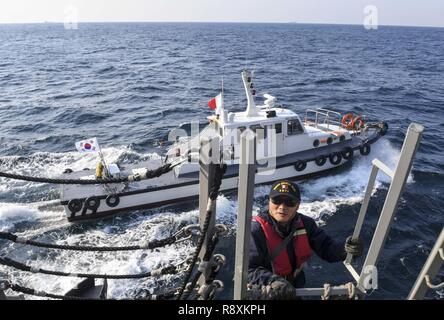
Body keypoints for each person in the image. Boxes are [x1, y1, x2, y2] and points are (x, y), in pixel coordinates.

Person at [248, 180, 363, 299]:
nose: (282, 207)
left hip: (295, 289)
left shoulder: (306, 224)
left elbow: (326, 248)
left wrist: (346, 249)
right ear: (269, 201)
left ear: (297, 205)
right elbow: (248, 270)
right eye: (277, 200)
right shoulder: (256, 230)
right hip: (266, 291)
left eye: (289, 202)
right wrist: (272, 281)